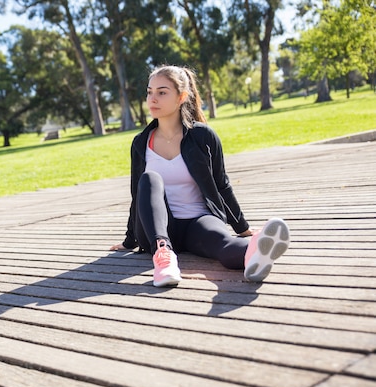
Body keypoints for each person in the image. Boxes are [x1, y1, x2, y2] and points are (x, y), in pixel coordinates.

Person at [110, 65, 290, 287]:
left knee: (223, 244)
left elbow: (221, 185)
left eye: (162, 92)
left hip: (198, 221)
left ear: (181, 97)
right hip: (155, 231)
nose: (152, 99)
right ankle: (164, 257)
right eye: (149, 91)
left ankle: (254, 251)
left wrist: (242, 228)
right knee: (149, 180)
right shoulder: (141, 143)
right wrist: (129, 241)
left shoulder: (202, 136)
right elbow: (137, 196)